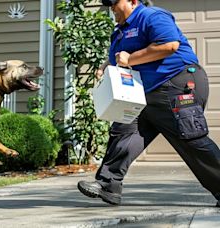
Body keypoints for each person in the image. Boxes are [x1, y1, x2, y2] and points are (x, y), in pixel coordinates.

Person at [77, 0, 220, 207]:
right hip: (143, 92)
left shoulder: (152, 16)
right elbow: (119, 60)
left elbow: (169, 45)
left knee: (191, 139)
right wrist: (105, 66)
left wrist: (131, 58)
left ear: (133, 1)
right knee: (124, 131)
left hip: (177, 83)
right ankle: (108, 185)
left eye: (114, 2)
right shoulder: (119, 32)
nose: (111, 7)